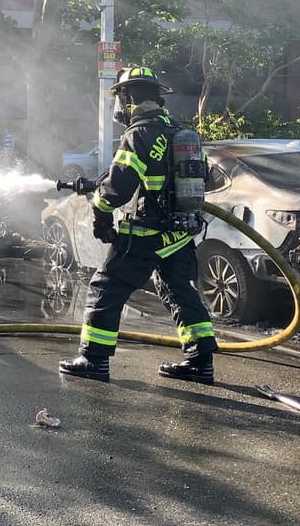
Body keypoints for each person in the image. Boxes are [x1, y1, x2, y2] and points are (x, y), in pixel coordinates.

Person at [59, 66, 218, 384]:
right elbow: (202, 178)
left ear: (127, 98)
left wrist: (101, 214)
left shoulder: (138, 134)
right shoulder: (178, 131)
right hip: (178, 234)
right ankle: (201, 363)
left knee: (105, 289)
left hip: (145, 234)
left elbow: (117, 189)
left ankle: (93, 359)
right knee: (179, 292)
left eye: (119, 98)